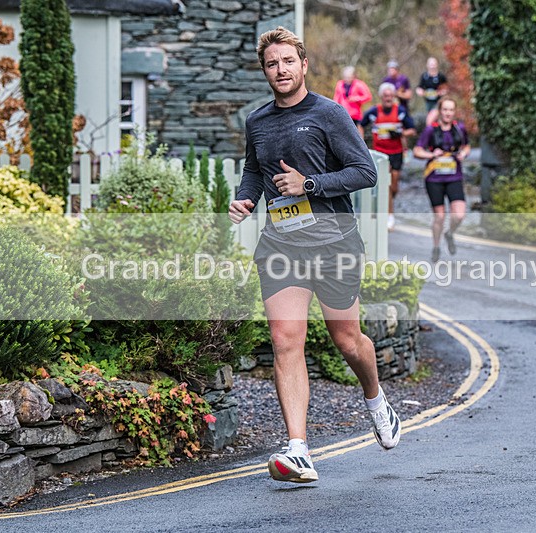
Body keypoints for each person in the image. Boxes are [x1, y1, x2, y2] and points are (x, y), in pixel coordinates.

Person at [229, 27, 401, 484]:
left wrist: (308, 185)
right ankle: (298, 450)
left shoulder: (329, 114)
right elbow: (254, 170)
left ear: (303, 65)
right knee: (285, 339)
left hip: (333, 243)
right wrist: (245, 198)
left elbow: (365, 171)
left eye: (288, 61)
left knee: (348, 340)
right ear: (264, 71)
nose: (280, 69)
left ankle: (376, 400)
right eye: (272, 63)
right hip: (282, 245)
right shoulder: (258, 121)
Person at [412, 96, 471, 262]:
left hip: (454, 176)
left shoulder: (459, 128)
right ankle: (436, 247)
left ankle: (449, 233)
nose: (448, 113)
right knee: (439, 216)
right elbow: (417, 151)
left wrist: (464, 154)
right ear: (440, 111)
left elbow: (467, 146)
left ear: (454, 112)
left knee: (459, 215)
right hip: (434, 178)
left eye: (451, 110)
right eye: (445, 109)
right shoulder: (431, 130)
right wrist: (431, 154)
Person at [358, 82, 417, 230]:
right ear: (381, 97)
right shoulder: (374, 112)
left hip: (396, 152)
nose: (388, 98)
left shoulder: (400, 111)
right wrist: (361, 142)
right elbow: (360, 124)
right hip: (381, 154)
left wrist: (401, 133)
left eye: (391, 96)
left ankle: (386, 203)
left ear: (394, 96)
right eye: (385, 96)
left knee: (394, 186)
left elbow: (412, 130)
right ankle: (389, 215)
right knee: (387, 185)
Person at [416, 57, 448, 123]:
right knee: (430, 117)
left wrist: (440, 93)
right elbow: (419, 87)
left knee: (432, 117)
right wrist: (421, 92)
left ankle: (429, 127)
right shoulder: (424, 76)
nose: (432, 67)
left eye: (434, 64)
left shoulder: (441, 76)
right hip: (427, 102)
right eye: (431, 65)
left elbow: (446, 88)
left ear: (437, 65)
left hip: (438, 102)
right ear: (427, 65)